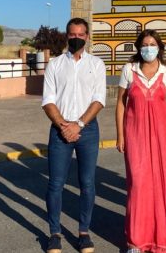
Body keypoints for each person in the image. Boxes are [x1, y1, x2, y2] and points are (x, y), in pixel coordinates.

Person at [41, 18, 106, 253]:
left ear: (87, 37)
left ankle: (83, 233)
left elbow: (99, 99)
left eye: (81, 34)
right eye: (72, 34)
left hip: (87, 130)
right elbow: (48, 100)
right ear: (66, 36)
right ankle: (55, 233)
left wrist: (78, 125)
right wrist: (63, 125)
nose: (76, 37)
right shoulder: (55, 64)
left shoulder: (97, 64)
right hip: (60, 130)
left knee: (87, 183)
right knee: (56, 184)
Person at [116, 30, 166, 253]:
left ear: (159, 47)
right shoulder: (129, 70)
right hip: (134, 135)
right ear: (138, 47)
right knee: (137, 185)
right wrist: (120, 135)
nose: (149, 48)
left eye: (153, 44)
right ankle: (136, 241)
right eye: (145, 44)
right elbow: (121, 104)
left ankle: (158, 240)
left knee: (159, 186)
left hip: (161, 135)